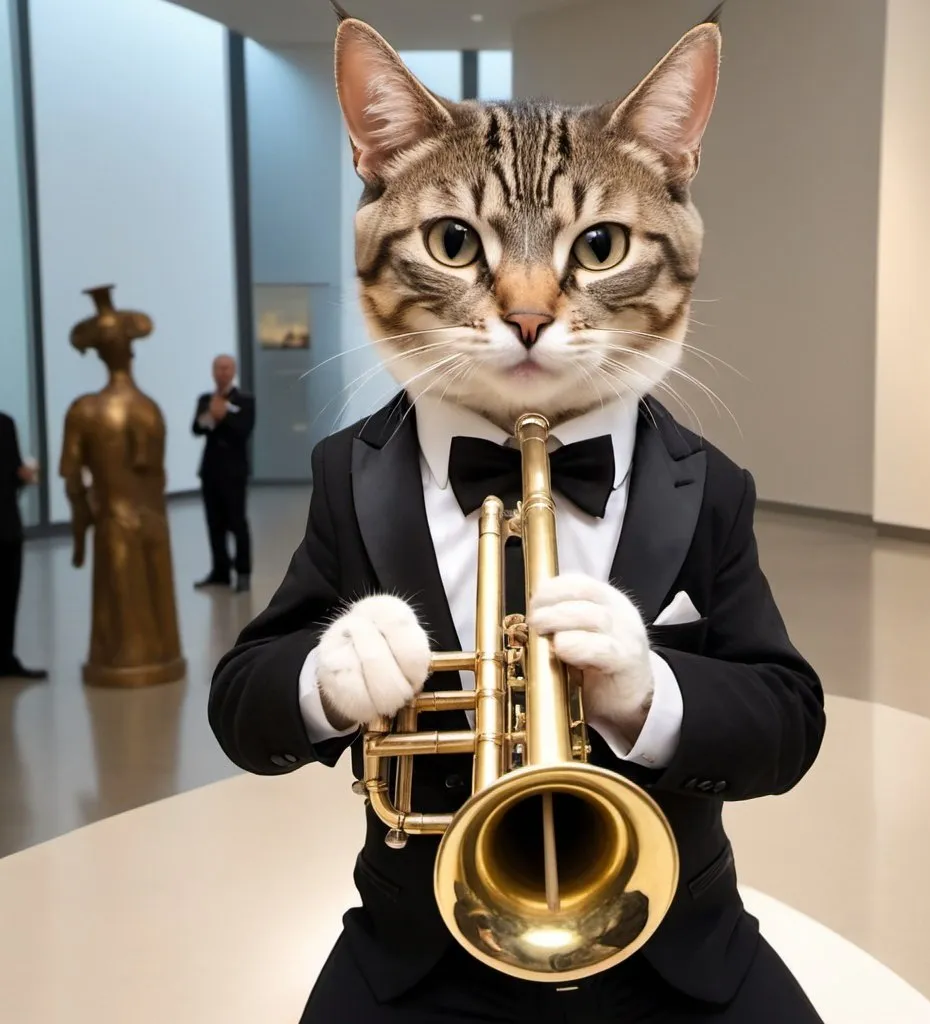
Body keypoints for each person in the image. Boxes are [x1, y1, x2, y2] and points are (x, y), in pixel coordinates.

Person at [210, 9, 826, 1023]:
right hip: (420, 947)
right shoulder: (349, 475)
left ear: (677, 192)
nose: (528, 304)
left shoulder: (705, 482)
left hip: (674, 938)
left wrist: (650, 691)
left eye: (599, 244)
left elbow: (788, 724)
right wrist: (323, 679)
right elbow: (240, 706)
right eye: (457, 241)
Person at [192, 355, 255, 594]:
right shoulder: (205, 400)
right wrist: (210, 416)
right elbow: (197, 428)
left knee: (237, 523)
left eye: (227, 368)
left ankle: (243, 573)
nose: (222, 372)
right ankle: (220, 571)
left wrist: (224, 416)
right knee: (214, 523)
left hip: (234, 471)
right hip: (210, 471)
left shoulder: (245, 400)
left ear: (234, 371)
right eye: (218, 368)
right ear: (213, 371)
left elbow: (244, 429)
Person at [0, 412, 46, 680]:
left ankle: (5, 658)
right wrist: (23, 476)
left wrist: (21, 476)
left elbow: (12, 474)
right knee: (6, 595)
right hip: (6, 524)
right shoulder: (5, 424)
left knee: (7, 595)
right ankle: (5, 658)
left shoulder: (6, 424)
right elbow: (13, 474)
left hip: (6, 525)